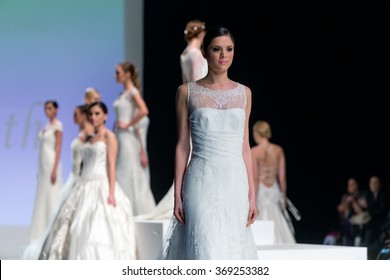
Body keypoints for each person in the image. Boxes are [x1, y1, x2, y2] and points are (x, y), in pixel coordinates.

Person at [158, 26, 258, 260]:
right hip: (200, 180)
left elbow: (245, 147)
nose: (224, 55)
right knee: (204, 248)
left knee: (231, 248)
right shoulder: (186, 92)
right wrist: (177, 196)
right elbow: (183, 146)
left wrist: (252, 195)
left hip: (235, 181)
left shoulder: (245, 93)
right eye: (216, 49)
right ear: (204, 52)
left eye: (229, 49)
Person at [38, 101, 137, 259]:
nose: (93, 117)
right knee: (71, 227)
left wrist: (111, 193)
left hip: (100, 184)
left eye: (97, 113)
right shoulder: (89, 138)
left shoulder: (109, 137)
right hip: (82, 185)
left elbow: (111, 165)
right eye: (91, 114)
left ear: (105, 116)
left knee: (93, 228)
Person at [136, 20, 208, 221]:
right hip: (200, 106)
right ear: (200, 33)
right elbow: (195, 84)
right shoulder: (194, 55)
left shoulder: (184, 54)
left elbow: (185, 84)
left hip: (189, 105)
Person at [113, 60, 156, 216]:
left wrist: (128, 124)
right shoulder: (124, 94)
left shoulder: (132, 93)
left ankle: (131, 211)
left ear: (127, 74)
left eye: (118, 72)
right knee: (123, 169)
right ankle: (121, 210)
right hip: (120, 137)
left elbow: (144, 110)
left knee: (128, 171)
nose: (115, 76)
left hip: (128, 138)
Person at [251, 120, 296, 244]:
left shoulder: (254, 152)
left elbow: (254, 178)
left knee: (261, 216)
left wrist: (252, 198)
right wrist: (283, 196)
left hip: (260, 189)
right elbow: (282, 177)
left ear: (257, 133)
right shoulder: (278, 150)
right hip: (274, 189)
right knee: (276, 216)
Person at [28, 100, 63, 242]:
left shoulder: (58, 126)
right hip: (43, 164)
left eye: (49, 108)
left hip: (51, 162)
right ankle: (41, 231)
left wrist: (54, 169)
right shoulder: (47, 126)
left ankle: (53, 228)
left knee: (52, 193)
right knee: (42, 194)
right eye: (45, 108)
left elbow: (59, 148)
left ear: (56, 110)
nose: (47, 111)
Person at [360, 175, 388, 259]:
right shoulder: (369, 196)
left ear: (379, 184)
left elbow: (381, 212)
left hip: (381, 224)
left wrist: (367, 207)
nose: (373, 185)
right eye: (371, 183)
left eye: (375, 183)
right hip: (370, 225)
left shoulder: (384, 196)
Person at [337, 177, 366, 246]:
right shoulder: (346, 196)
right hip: (347, 225)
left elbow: (359, 211)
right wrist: (346, 202)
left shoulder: (361, 194)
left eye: (352, 184)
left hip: (358, 225)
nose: (349, 186)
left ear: (356, 185)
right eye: (348, 184)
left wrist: (353, 201)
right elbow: (340, 209)